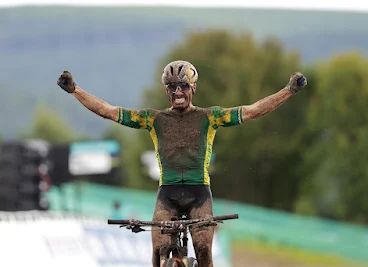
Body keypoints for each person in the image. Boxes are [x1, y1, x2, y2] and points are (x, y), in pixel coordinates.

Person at [56, 60, 307, 267]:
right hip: (168, 194)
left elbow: (252, 110)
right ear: (166, 90)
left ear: (193, 88)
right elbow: (109, 111)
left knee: (203, 247)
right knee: (158, 249)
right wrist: (75, 90)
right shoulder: (153, 119)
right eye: (172, 87)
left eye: (183, 86)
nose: (177, 92)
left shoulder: (211, 117)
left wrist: (289, 90)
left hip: (200, 194)